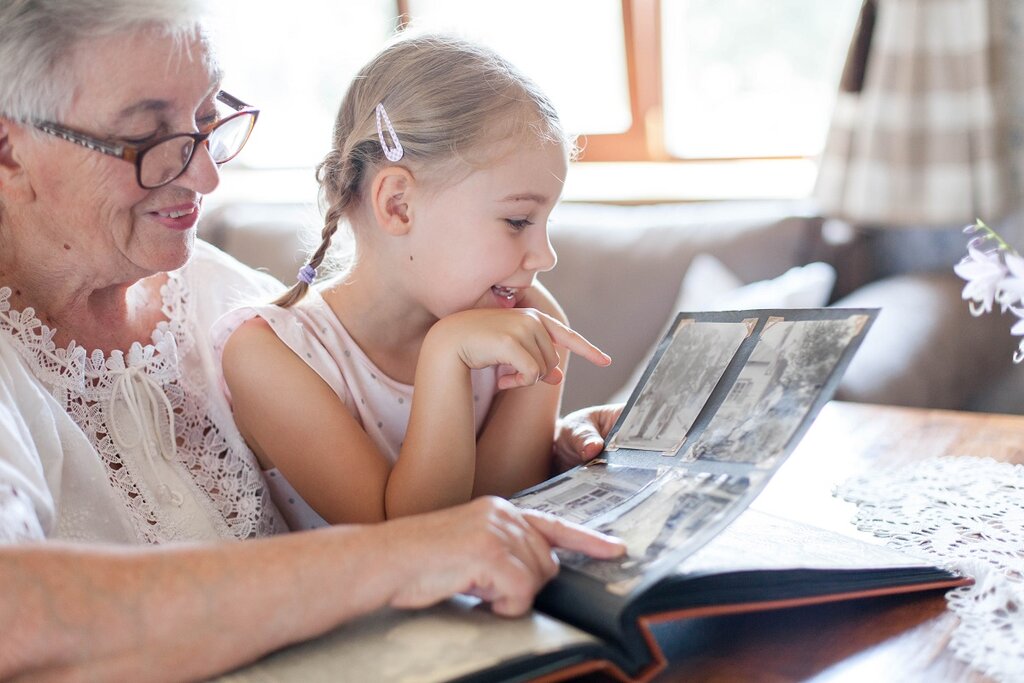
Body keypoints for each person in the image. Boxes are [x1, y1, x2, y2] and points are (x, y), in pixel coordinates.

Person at [0, 2, 623, 679]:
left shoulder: (219, 294)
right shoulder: (260, 339)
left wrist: (550, 443)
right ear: (9, 149)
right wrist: (406, 554)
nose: (208, 176)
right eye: (150, 136)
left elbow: (426, 462)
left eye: (210, 119)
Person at [214, 35, 612, 528]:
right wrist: (446, 355)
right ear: (398, 204)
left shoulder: (527, 317)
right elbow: (414, 540)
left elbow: (500, 513)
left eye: (545, 221)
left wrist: (561, 450)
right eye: (517, 221)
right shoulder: (269, 356)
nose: (545, 256)